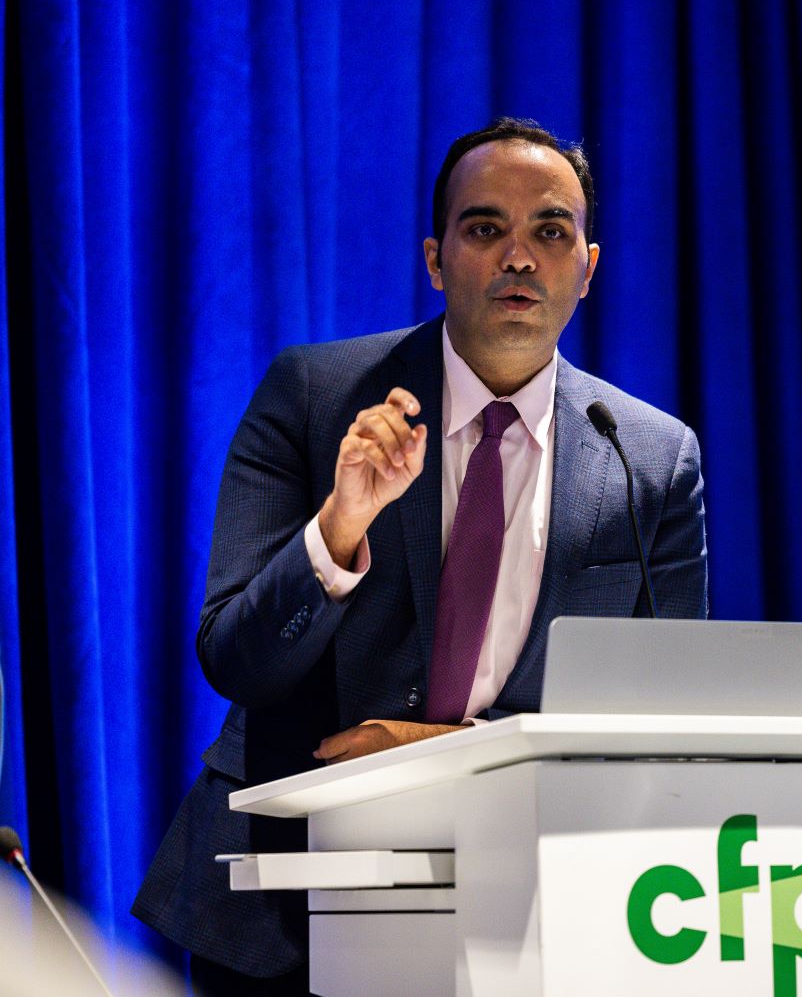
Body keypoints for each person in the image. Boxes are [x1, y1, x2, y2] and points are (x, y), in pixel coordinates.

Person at [132, 118, 708, 996]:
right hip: (285, 908)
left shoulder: (647, 455)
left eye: (550, 232)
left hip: (525, 904)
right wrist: (337, 530)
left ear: (587, 268)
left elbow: (659, 720)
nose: (520, 256)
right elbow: (235, 658)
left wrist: (434, 748)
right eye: (486, 229)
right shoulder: (317, 398)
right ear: (436, 261)